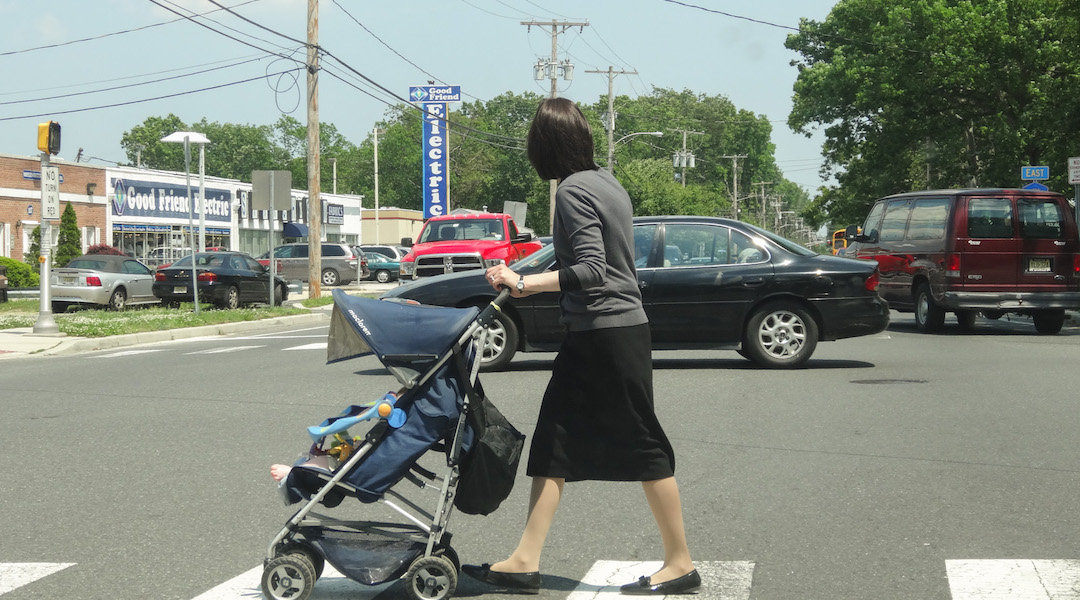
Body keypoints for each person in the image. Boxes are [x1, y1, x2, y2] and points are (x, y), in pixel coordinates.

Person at [466, 97, 699, 596]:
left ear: (543, 146)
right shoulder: (607, 181)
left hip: (606, 334)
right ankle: (524, 558)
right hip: (607, 332)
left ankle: (680, 562)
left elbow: (594, 270)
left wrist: (520, 283)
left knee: (643, 444)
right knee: (555, 441)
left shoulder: (572, 191)